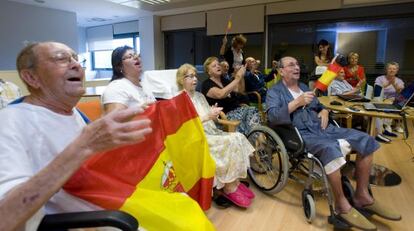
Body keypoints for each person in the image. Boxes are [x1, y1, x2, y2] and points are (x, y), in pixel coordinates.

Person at [0, 42, 152, 231]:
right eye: (61, 59)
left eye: (76, 59)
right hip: (99, 221)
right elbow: (5, 218)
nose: (76, 65)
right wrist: (82, 146)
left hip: (117, 208)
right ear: (31, 77)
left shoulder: (76, 115)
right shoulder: (10, 121)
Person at [266, 56, 401, 230]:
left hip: (323, 128)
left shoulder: (305, 87)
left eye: (297, 64)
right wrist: (296, 103)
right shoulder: (275, 92)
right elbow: (273, 117)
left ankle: (362, 195)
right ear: (281, 71)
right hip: (300, 134)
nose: (296, 67)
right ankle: (341, 204)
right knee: (330, 148)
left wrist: (324, 111)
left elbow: (317, 105)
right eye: (291, 65)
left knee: (366, 139)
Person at [177, 63, 255, 208]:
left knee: (238, 137)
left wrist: (213, 114)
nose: (195, 79)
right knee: (229, 142)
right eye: (190, 76)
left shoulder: (199, 96)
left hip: (211, 131)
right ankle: (228, 187)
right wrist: (207, 116)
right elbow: (184, 126)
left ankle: (234, 182)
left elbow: (210, 117)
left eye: (195, 75)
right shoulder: (179, 100)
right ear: (182, 80)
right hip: (197, 137)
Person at [201, 56, 261, 136]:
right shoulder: (206, 84)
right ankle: (257, 141)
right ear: (208, 71)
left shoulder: (224, 80)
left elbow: (240, 90)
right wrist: (237, 78)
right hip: (225, 116)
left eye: (218, 64)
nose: (218, 66)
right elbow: (221, 94)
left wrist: (241, 76)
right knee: (251, 112)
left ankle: (258, 141)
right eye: (214, 66)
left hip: (238, 110)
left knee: (251, 116)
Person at [101, 46, 156, 113]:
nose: (136, 57)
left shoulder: (144, 84)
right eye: (130, 57)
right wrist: (137, 111)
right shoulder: (116, 88)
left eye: (136, 55)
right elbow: (114, 120)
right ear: (119, 66)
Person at [374, 62, 405, 140]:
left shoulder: (399, 81)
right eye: (390, 68)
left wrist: (394, 84)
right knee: (379, 104)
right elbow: (377, 89)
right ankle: (382, 129)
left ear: (397, 70)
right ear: (386, 70)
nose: (392, 70)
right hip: (379, 98)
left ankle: (386, 127)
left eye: (394, 69)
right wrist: (388, 83)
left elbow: (400, 92)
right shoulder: (379, 78)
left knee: (392, 102)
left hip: (392, 100)